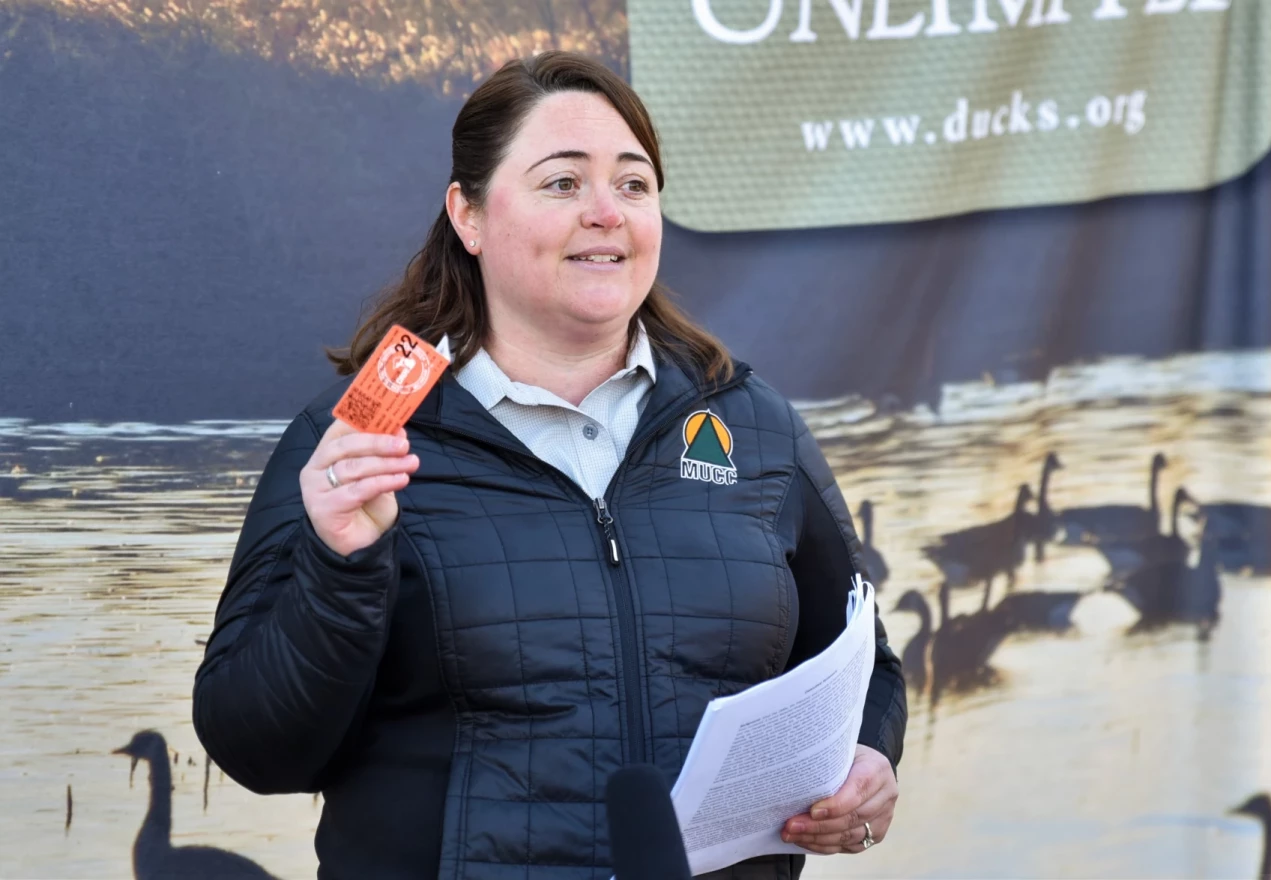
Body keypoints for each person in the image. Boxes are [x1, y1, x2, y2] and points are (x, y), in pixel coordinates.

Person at [193, 51, 905, 880]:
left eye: (632, 185)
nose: (606, 212)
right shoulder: (358, 436)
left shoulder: (751, 424)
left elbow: (863, 667)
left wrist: (868, 760)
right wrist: (339, 566)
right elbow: (256, 749)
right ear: (468, 215)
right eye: (562, 183)